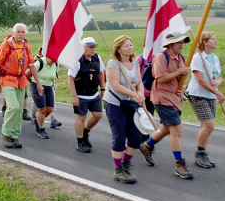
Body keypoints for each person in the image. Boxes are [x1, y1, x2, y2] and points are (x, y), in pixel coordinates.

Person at [138, 32, 194, 179]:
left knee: (165, 129)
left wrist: (183, 86)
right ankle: (179, 165)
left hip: (176, 98)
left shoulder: (181, 58)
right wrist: (180, 72)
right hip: (162, 98)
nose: (182, 45)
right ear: (170, 44)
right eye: (178, 43)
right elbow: (161, 78)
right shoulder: (161, 58)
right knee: (177, 129)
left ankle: (147, 146)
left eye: (183, 43)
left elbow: (181, 79)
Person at [103, 35, 146, 184]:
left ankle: (127, 164)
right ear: (119, 49)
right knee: (119, 137)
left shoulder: (134, 63)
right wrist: (135, 94)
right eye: (126, 46)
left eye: (131, 45)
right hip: (115, 103)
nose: (130, 48)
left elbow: (139, 82)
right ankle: (118, 169)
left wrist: (140, 94)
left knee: (135, 138)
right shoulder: (113, 63)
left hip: (131, 104)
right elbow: (116, 85)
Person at [0, 23, 43, 149]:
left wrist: (38, 83)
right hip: (7, 79)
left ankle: (14, 135)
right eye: (18, 32)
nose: (21, 34)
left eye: (23, 32)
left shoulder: (26, 45)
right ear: (14, 32)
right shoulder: (6, 45)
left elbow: (31, 64)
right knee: (13, 106)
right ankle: (5, 133)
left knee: (19, 110)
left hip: (21, 80)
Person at [186, 31, 225, 169]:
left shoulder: (214, 58)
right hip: (198, 95)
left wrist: (217, 83)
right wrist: (218, 93)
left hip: (210, 95)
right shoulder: (198, 58)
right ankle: (199, 152)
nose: (216, 41)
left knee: (205, 126)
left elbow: (219, 76)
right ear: (204, 42)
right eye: (213, 39)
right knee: (210, 125)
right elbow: (200, 80)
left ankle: (202, 153)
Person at [67, 37, 106, 152]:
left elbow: (100, 74)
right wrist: (74, 96)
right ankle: (80, 143)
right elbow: (70, 78)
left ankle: (85, 132)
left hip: (94, 93)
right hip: (81, 94)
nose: (93, 49)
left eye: (94, 46)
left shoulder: (97, 58)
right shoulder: (77, 60)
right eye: (90, 46)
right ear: (83, 47)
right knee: (81, 116)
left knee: (98, 115)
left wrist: (103, 89)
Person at [28, 46, 58, 140]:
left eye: (54, 59)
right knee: (41, 109)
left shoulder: (55, 64)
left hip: (49, 86)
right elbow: (27, 73)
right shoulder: (40, 62)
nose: (52, 61)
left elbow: (54, 74)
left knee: (49, 109)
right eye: (51, 58)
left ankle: (38, 120)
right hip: (37, 86)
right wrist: (34, 83)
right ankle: (41, 129)